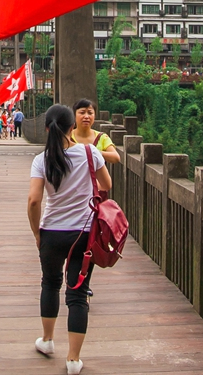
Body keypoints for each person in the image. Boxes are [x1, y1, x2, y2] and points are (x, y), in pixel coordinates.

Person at [28, 104, 112, 374]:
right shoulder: (89, 153)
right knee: (77, 294)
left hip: (51, 232)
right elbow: (107, 185)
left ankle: (48, 340)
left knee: (50, 283)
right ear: (72, 127)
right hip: (83, 233)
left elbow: (33, 201)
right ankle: (73, 359)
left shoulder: (41, 160)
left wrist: (37, 233)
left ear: (45, 128)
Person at [70, 99, 120, 165]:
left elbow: (116, 157)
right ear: (74, 115)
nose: (86, 116)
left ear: (94, 116)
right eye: (82, 112)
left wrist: (94, 152)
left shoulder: (101, 137)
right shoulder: (67, 136)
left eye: (90, 113)